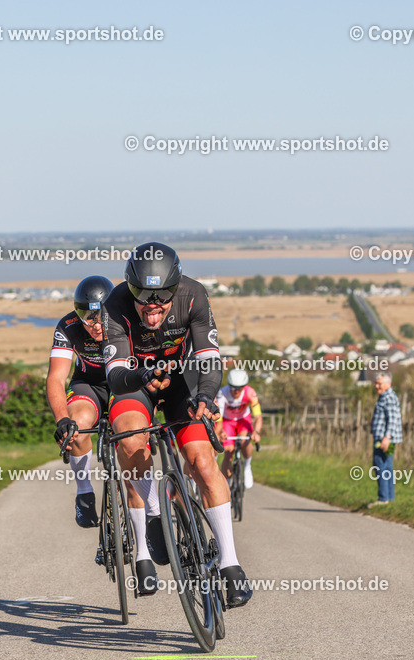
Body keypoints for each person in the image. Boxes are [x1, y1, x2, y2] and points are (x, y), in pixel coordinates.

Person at [102, 242, 252, 608]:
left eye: (162, 298)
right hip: (135, 384)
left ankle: (230, 565)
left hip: (182, 380)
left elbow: (209, 358)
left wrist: (207, 396)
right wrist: (143, 374)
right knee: (132, 441)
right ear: (130, 288)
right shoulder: (114, 306)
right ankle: (154, 511)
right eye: (142, 297)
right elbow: (116, 376)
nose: (152, 307)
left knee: (202, 462)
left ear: (176, 288)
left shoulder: (193, 295)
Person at [46, 275, 115, 529]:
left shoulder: (124, 318)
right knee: (77, 425)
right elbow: (56, 377)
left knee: (130, 432)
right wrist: (62, 419)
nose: (95, 326)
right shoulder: (68, 326)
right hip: (89, 384)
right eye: (88, 318)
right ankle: (84, 491)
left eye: (100, 318)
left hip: (124, 383)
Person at [215, 368, 262, 489]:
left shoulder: (251, 393)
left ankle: (247, 466)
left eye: (239, 388)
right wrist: (220, 432)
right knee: (228, 450)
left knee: (244, 440)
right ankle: (227, 485)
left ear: (244, 386)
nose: (236, 391)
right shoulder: (223, 393)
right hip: (228, 421)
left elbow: (258, 416)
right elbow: (219, 416)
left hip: (243, 420)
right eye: (233, 387)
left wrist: (256, 432)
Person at [369, 371, 402, 506]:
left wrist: (387, 437)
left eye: (379, 383)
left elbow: (393, 419)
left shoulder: (388, 398)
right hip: (384, 437)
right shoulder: (385, 397)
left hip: (385, 439)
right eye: (376, 383)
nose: (377, 386)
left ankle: (383, 498)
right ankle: (389, 498)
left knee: (380, 466)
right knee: (386, 466)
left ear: (388, 384)